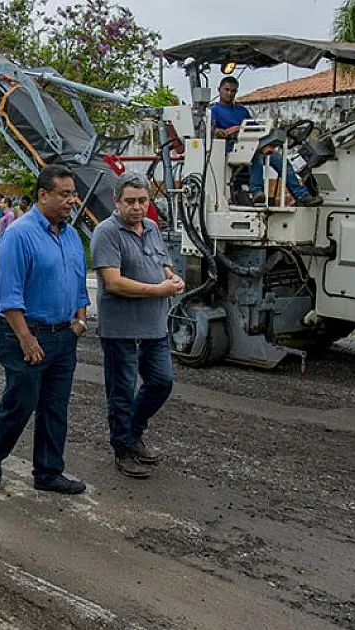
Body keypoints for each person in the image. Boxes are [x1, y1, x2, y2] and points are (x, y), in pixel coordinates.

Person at [0, 165, 90, 495]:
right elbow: (8, 295)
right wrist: (26, 339)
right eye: (65, 194)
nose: (72, 200)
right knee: (22, 402)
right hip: (25, 336)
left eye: (73, 193)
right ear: (43, 196)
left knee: (55, 407)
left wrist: (80, 321)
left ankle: (48, 471)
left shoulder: (71, 235)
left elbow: (78, 283)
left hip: (63, 336)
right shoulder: (19, 234)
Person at [90, 173, 185, 479]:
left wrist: (172, 277)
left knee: (161, 382)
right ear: (116, 202)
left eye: (143, 200)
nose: (137, 207)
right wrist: (159, 290)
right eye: (130, 201)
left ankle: (133, 432)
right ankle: (123, 449)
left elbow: (163, 265)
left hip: (154, 326)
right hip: (121, 329)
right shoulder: (107, 233)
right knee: (122, 392)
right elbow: (113, 282)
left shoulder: (153, 228)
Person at [211, 76, 322, 207]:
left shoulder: (242, 111)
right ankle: (257, 191)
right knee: (255, 154)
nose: (229, 94)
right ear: (219, 90)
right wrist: (219, 131)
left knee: (280, 159)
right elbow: (212, 129)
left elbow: (256, 128)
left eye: (233, 91)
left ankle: (302, 195)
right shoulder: (214, 110)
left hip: (251, 146)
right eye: (227, 90)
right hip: (231, 149)